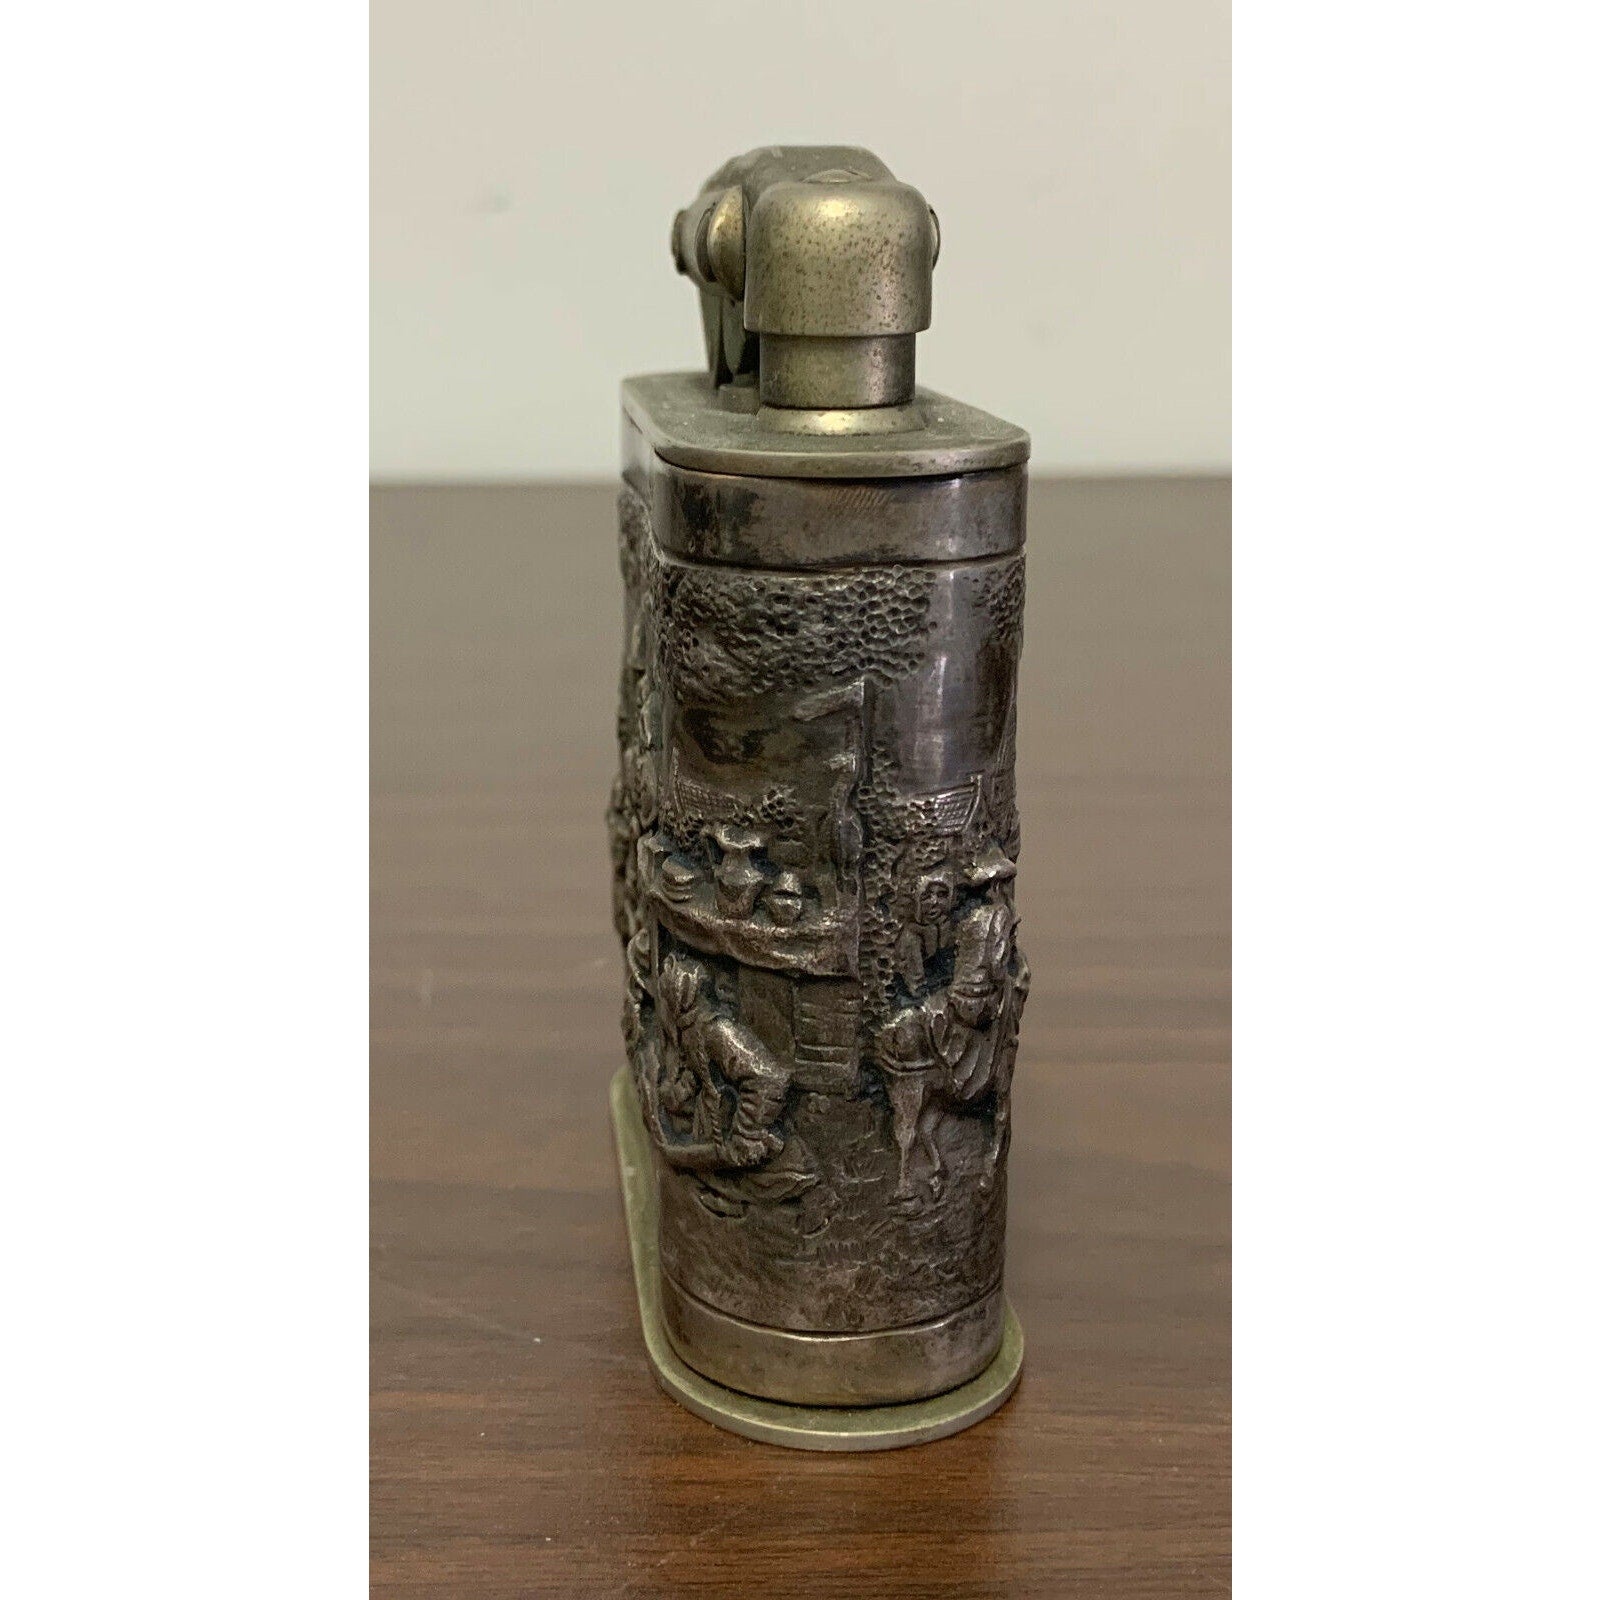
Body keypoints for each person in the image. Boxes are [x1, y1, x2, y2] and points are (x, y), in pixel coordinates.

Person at [643, 953, 817, 1217]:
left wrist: (746, 1132)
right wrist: (675, 1095)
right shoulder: (692, 1031)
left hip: (732, 1131)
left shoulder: (717, 1031)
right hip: (712, 1126)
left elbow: (769, 1078)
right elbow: (698, 1073)